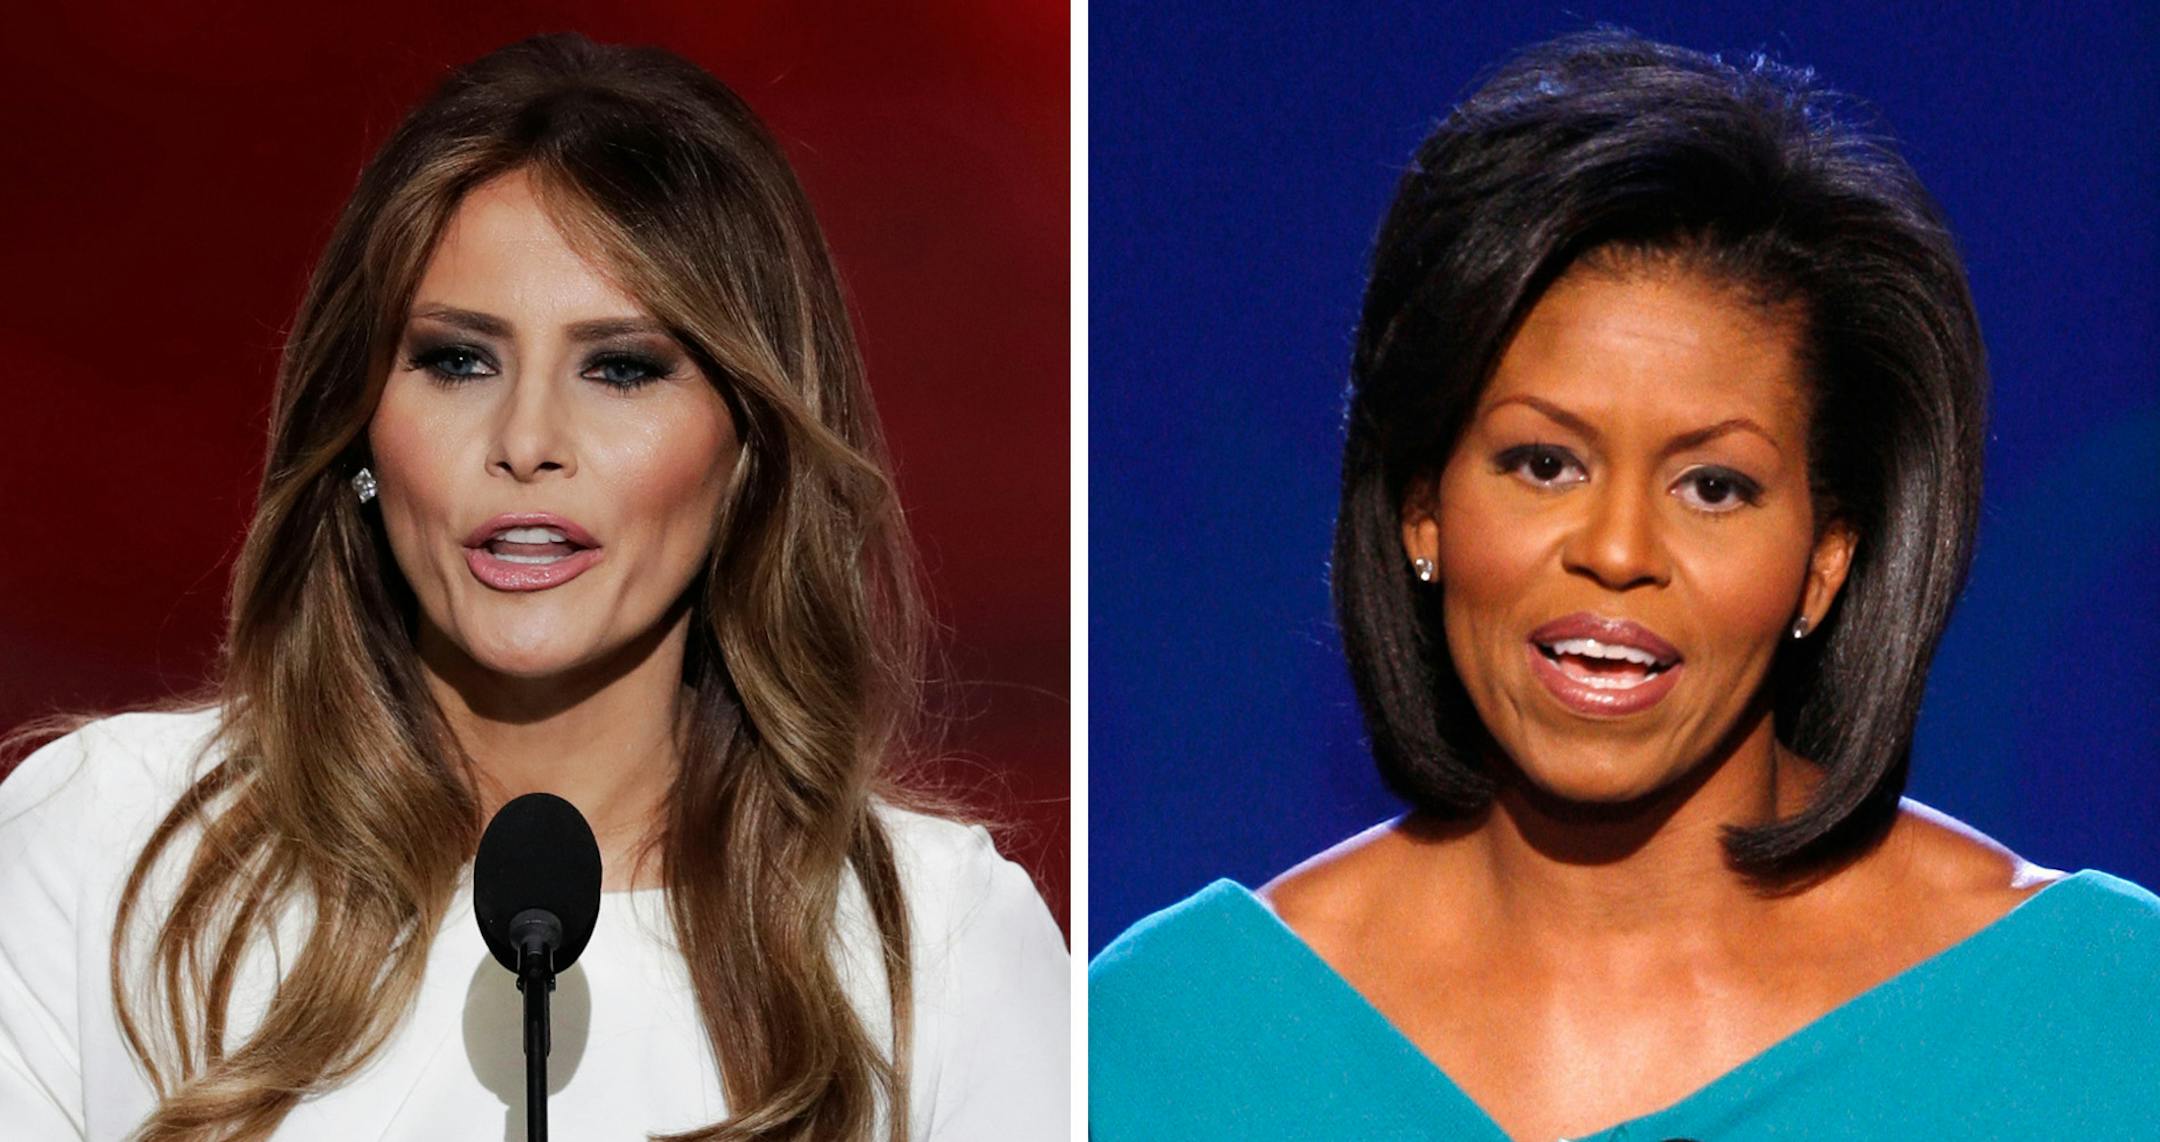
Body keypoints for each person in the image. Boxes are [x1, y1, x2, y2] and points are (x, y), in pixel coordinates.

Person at [1090, 29, 2159, 1142]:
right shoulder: (1163, 1046)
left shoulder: (2107, 1021)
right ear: (1423, 509)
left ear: (1825, 561)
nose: (1616, 549)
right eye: (1543, 463)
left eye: (1713, 486)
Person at [0, 33, 1066, 1142]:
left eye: (622, 368)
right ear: (360, 425)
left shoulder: (937, 951)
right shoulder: (107, 851)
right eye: (459, 360)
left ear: (749, 448)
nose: (526, 440)